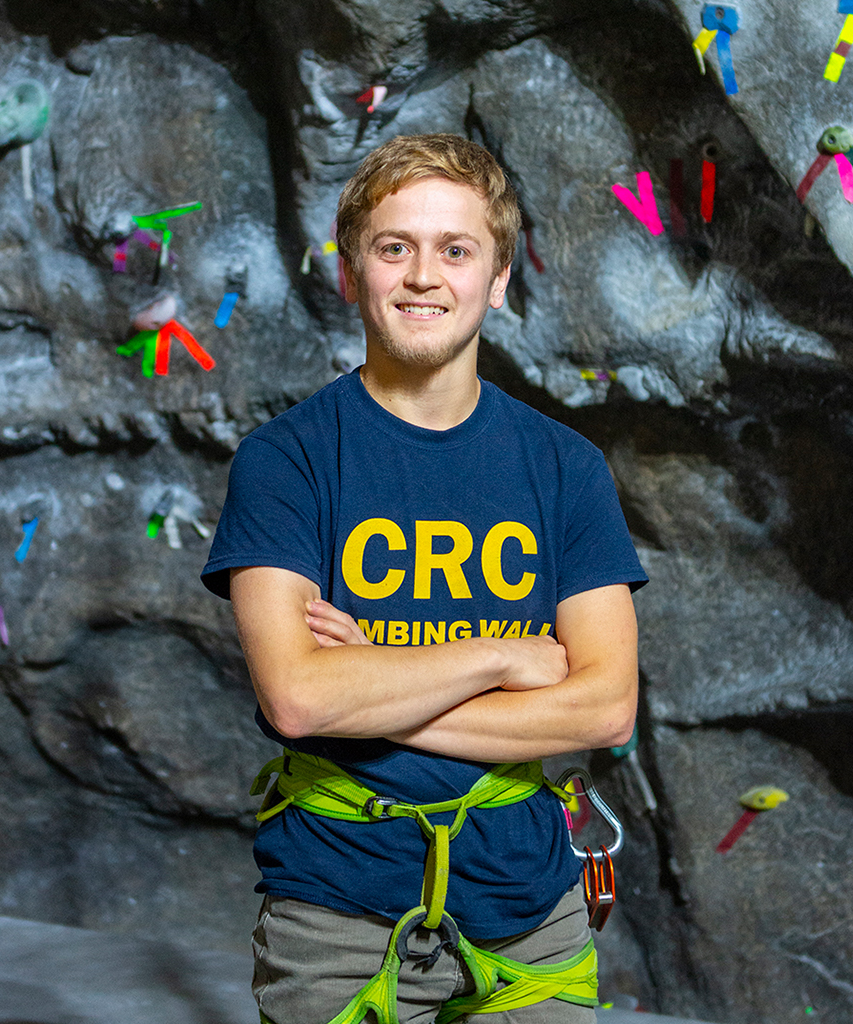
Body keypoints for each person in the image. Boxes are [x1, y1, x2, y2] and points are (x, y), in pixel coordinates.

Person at [201, 132, 647, 1024]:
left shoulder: (566, 468)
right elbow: (297, 700)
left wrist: (378, 680)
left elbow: (604, 709)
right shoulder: (286, 462)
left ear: (499, 280)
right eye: (393, 247)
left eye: (456, 250)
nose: (422, 276)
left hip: (530, 901)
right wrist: (503, 653)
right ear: (349, 273)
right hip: (338, 900)